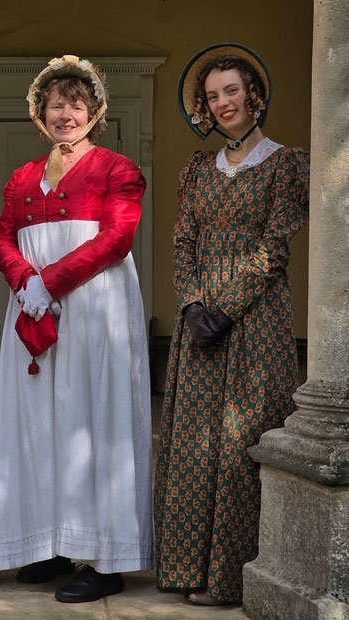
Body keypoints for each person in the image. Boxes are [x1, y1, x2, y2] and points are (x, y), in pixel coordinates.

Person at [0, 55, 153, 603]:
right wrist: (26, 281)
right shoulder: (20, 177)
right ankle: (53, 543)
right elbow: (2, 238)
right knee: (40, 422)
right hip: (33, 304)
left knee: (93, 417)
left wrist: (51, 282)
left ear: (95, 112)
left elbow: (116, 238)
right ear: (40, 114)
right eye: (56, 105)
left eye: (76, 105)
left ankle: (104, 557)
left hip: (94, 305)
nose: (66, 115)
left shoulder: (118, 169)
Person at [154, 43, 309, 605]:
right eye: (213, 95)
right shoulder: (198, 169)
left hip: (256, 320)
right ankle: (189, 570)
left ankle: (233, 578)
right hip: (200, 326)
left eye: (232, 91)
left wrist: (226, 308)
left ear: (255, 95)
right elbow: (183, 241)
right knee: (195, 446)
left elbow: (275, 247)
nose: (223, 103)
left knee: (243, 442)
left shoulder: (285, 164)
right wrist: (193, 305)